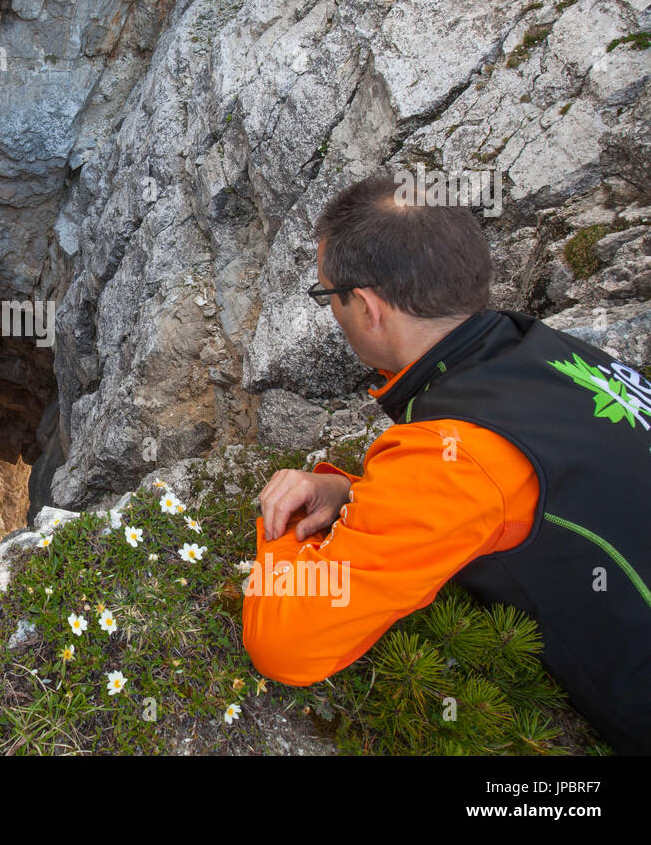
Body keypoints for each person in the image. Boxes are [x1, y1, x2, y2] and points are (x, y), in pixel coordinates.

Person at [241, 174, 651, 754]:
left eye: (327, 295)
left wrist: (279, 528)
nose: (332, 309)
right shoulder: (548, 350)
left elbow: (286, 644)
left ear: (366, 307)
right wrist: (351, 493)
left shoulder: (456, 455)